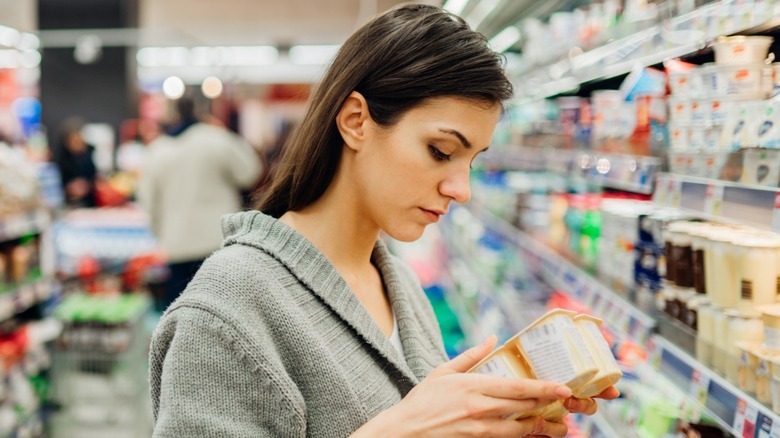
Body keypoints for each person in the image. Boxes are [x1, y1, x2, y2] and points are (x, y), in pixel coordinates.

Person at [149, 4, 618, 437]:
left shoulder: (400, 288)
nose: (462, 189)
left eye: (470, 162)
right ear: (356, 120)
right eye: (441, 151)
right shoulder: (226, 310)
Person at [137, 97, 262, 312]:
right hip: (218, 242)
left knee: (182, 318)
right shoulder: (217, 140)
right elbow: (250, 172)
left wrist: (160, 234)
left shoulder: (158, 151)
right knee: (225, 315)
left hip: (177, 246)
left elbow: (147, 200)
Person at [53, 117, 98, 208]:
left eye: (79, 140)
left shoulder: (90, 156)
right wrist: (68, 188)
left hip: (89, 203)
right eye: (74, 141)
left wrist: (89, 185)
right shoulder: (60, 160)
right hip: (67, 204)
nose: (77, 144)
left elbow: (95, 177)